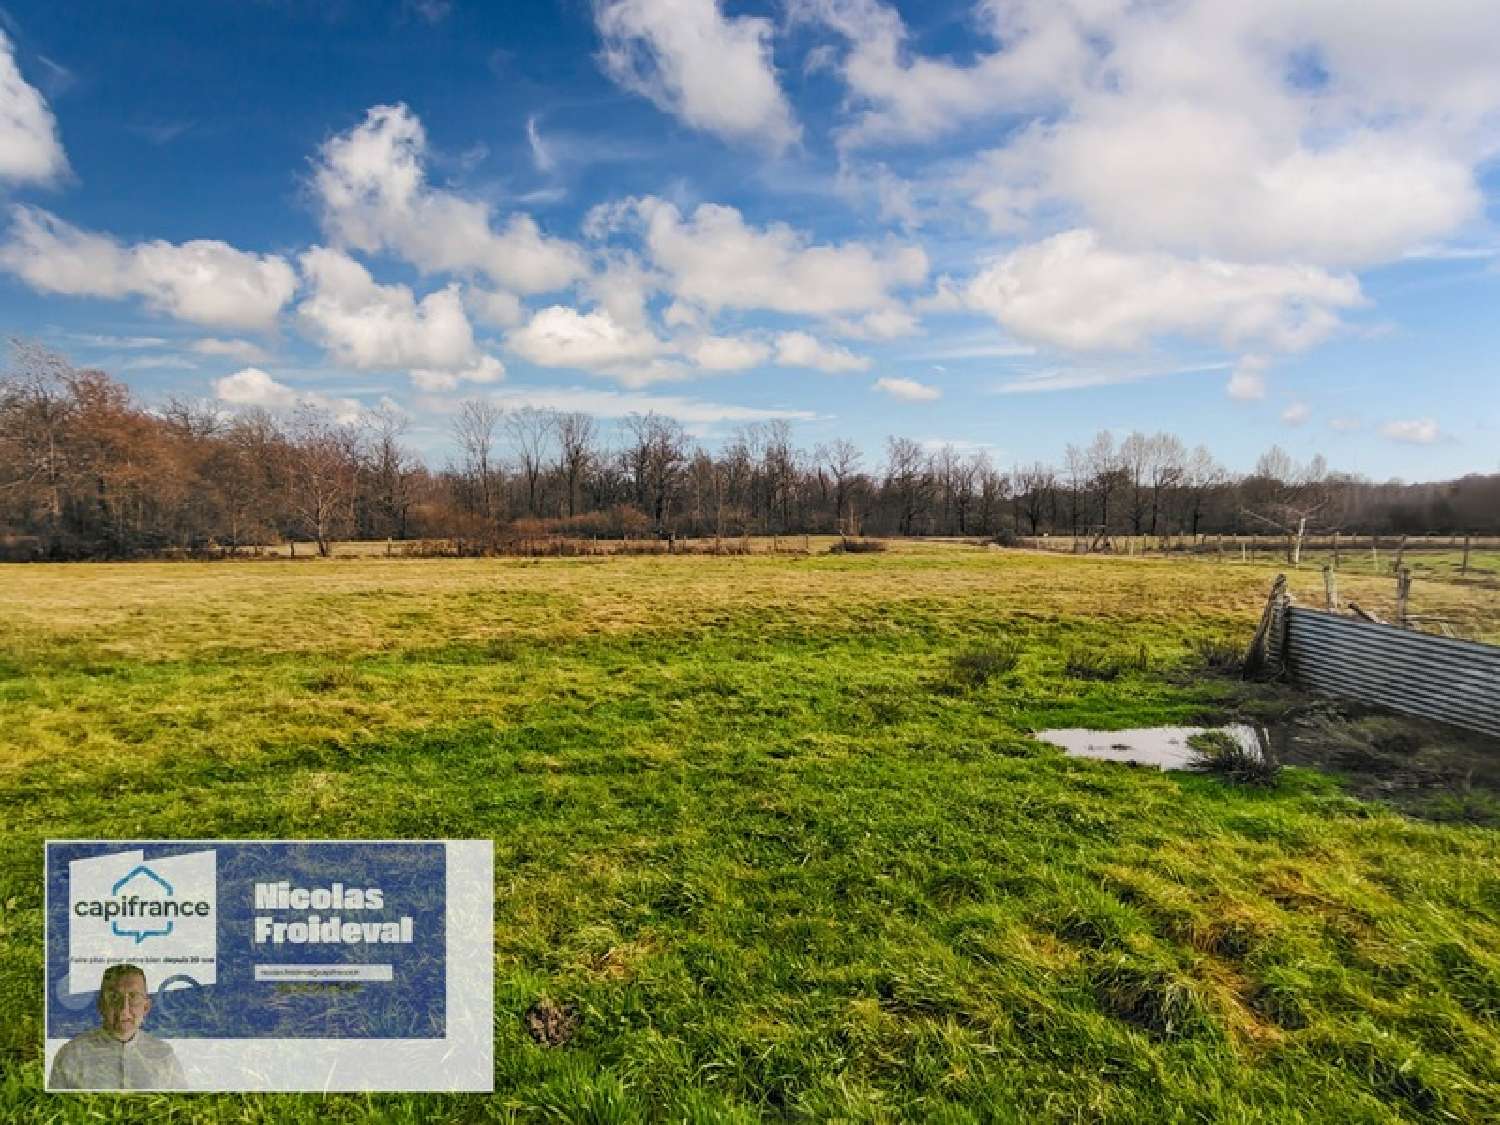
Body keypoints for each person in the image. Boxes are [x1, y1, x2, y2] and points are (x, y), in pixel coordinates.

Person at [49, 963, 188, 1090]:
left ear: (146, 1007)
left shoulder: (164, 1056)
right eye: (114, 996)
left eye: (133, 996)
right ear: (101, 1005)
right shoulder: (71, 1055)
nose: (124, 1009)